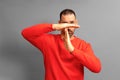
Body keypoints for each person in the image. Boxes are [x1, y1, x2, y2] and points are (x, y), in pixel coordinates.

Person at [21, 9, 101, 80]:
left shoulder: (84, 45)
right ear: (60, 24)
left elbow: (96, 68)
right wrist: (54, 26)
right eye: (65, 24)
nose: (69, 27)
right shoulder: (48, 41)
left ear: (76, 23)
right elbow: (26, 33)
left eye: (72, 23)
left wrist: (72, 50)